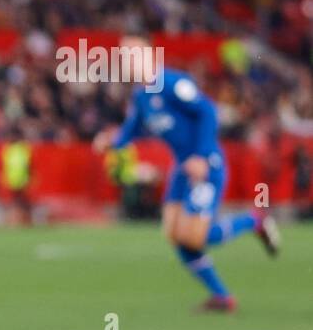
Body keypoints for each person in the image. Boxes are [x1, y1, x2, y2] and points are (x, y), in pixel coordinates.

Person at [94, 39, 279, 311]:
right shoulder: (141, 95)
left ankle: (254, 220)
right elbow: (134, 128)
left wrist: (201, 156)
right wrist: (113, 141)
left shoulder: (171, 83)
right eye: (123, 58)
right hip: (182, 169)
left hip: (207, 165)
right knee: (174, 234)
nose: (127, 62)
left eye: (132, 55)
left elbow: (207, 111)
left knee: (194, 237)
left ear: (149, 56)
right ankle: (222, 297)